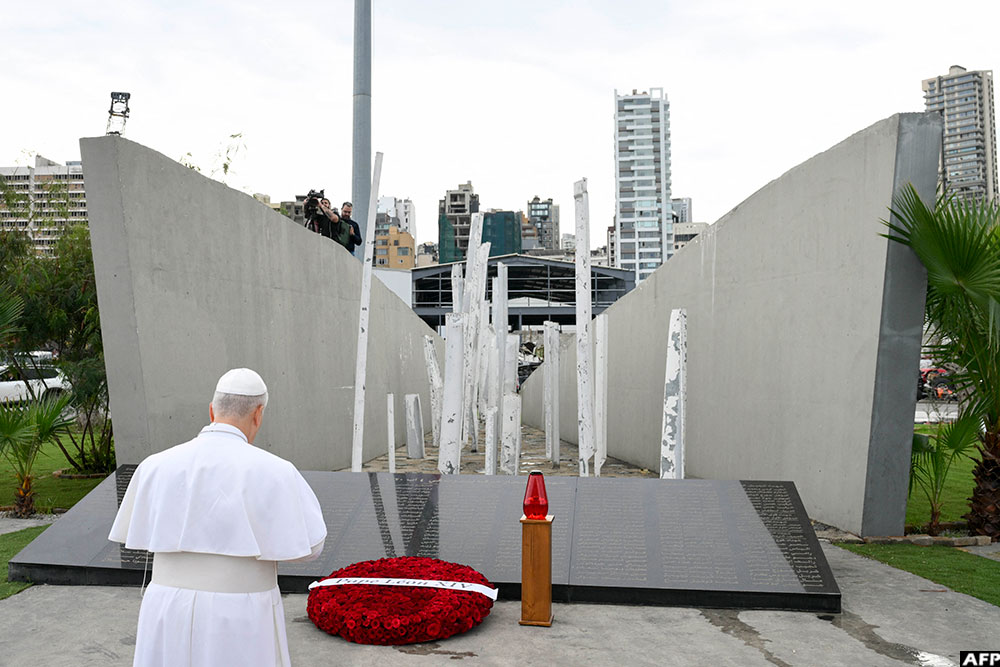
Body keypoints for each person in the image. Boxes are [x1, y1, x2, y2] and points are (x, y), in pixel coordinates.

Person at [109, 368, 327, 667]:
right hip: (241, 612)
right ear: (258, 414)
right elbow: (311, 547)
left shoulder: (154, 465)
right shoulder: (276, 471)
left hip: (167, 606)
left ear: (212, 411)